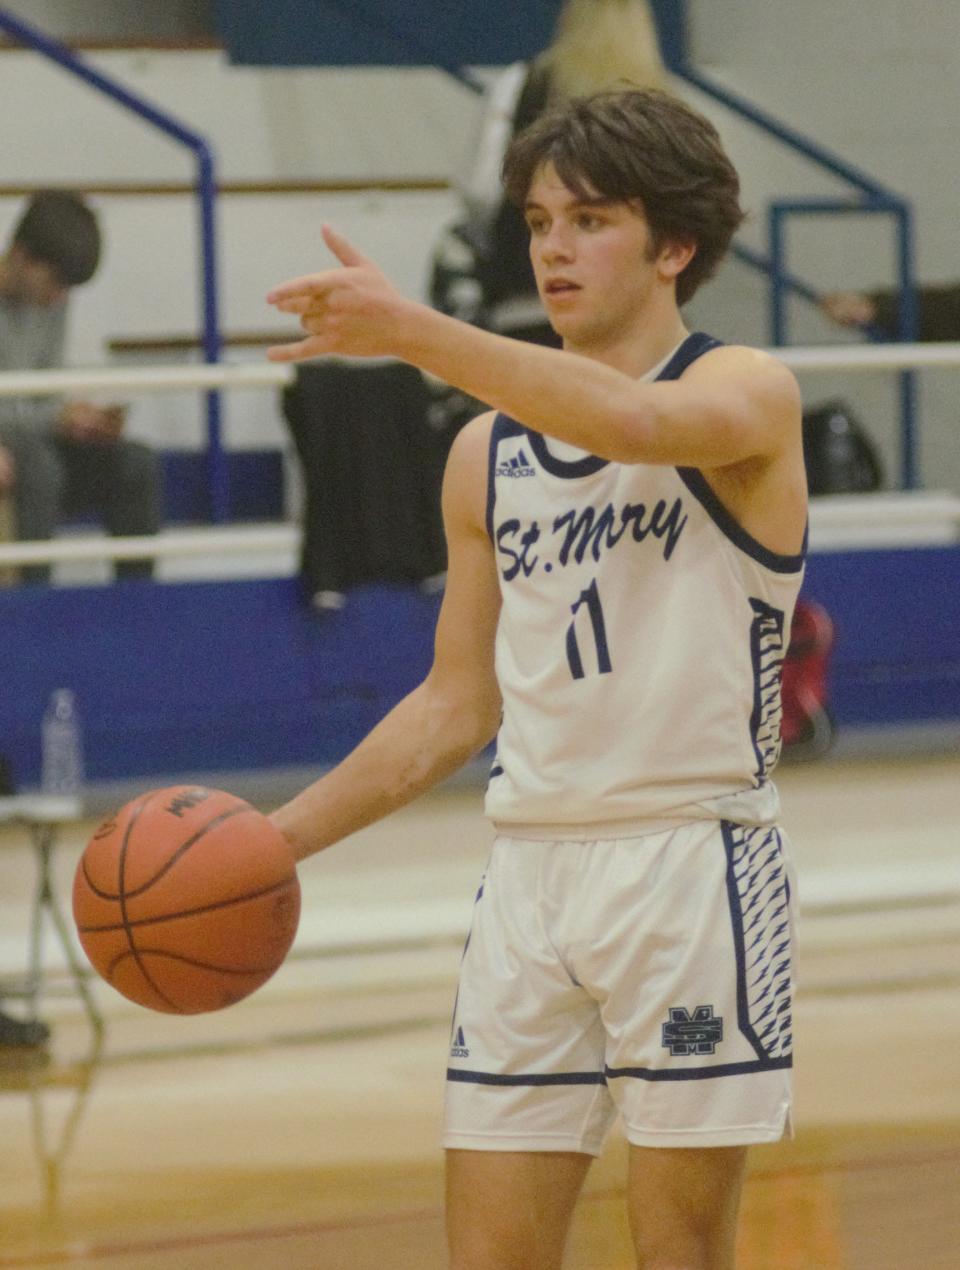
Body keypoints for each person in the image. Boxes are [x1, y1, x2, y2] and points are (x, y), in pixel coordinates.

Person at [266, 88, 807, 1269]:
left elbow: (631, 423)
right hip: (529, 880)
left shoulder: (750, 392)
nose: (554, 247)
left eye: (591, 219)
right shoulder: (484, 452)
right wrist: (275, 841)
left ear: (674, 245)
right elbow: (457, 702)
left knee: (679, 1255)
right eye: (539, 220)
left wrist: (416, 333)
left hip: (690, 870)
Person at [0, 189, 161, 584]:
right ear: (21, 256)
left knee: (135, 463)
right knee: (41, 466)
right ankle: (34, 605)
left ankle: (138, 605)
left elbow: (45, 391)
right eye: (55, 282)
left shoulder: (54, 302)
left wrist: (82, 421)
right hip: (18, 451)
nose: (60, 296)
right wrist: (57, 417)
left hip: (31, 438)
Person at [822, 281, 960, 340]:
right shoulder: (883, 331)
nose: (855, 315)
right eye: (849, 319)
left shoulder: (890, 301)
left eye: (851, 307)